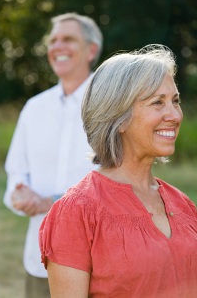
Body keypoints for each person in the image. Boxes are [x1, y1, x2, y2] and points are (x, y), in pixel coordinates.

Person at [39, 44, 197, 298]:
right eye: (158, 102)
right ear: (118, 117)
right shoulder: (77, 212)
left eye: (175, 101)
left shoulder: (184, 206)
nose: (175, 115)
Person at [3, 12, 103, 298]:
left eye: (68, 39)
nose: (57, 46)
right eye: (53, 40)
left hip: (98, 261)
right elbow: (16, 174)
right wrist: (20, 195)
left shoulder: (112, 105)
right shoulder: (34, 108)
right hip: (40, 261)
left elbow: (121, 180)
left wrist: (53, 202)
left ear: (91, 50)